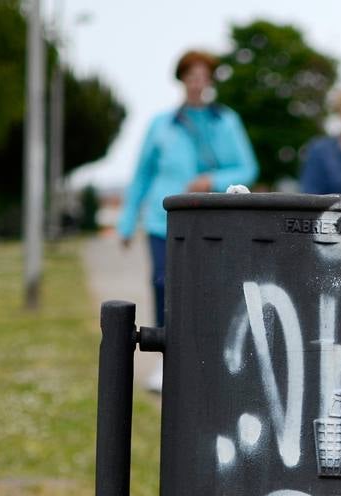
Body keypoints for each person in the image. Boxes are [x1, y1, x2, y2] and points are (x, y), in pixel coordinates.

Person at [118, 49, 258, 393]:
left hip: (207, 221)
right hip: (160, 220)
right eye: (190, 75)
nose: (197, 82)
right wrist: (125, 221)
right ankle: (166, 360)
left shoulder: (226, 122)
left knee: (208, 286)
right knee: (164, 285)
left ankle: (208, 360)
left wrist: (211, 180)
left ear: (210, 81)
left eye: (203, 76)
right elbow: (142, 175)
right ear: (181, 79)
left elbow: (248, 168)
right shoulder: (161, 125)